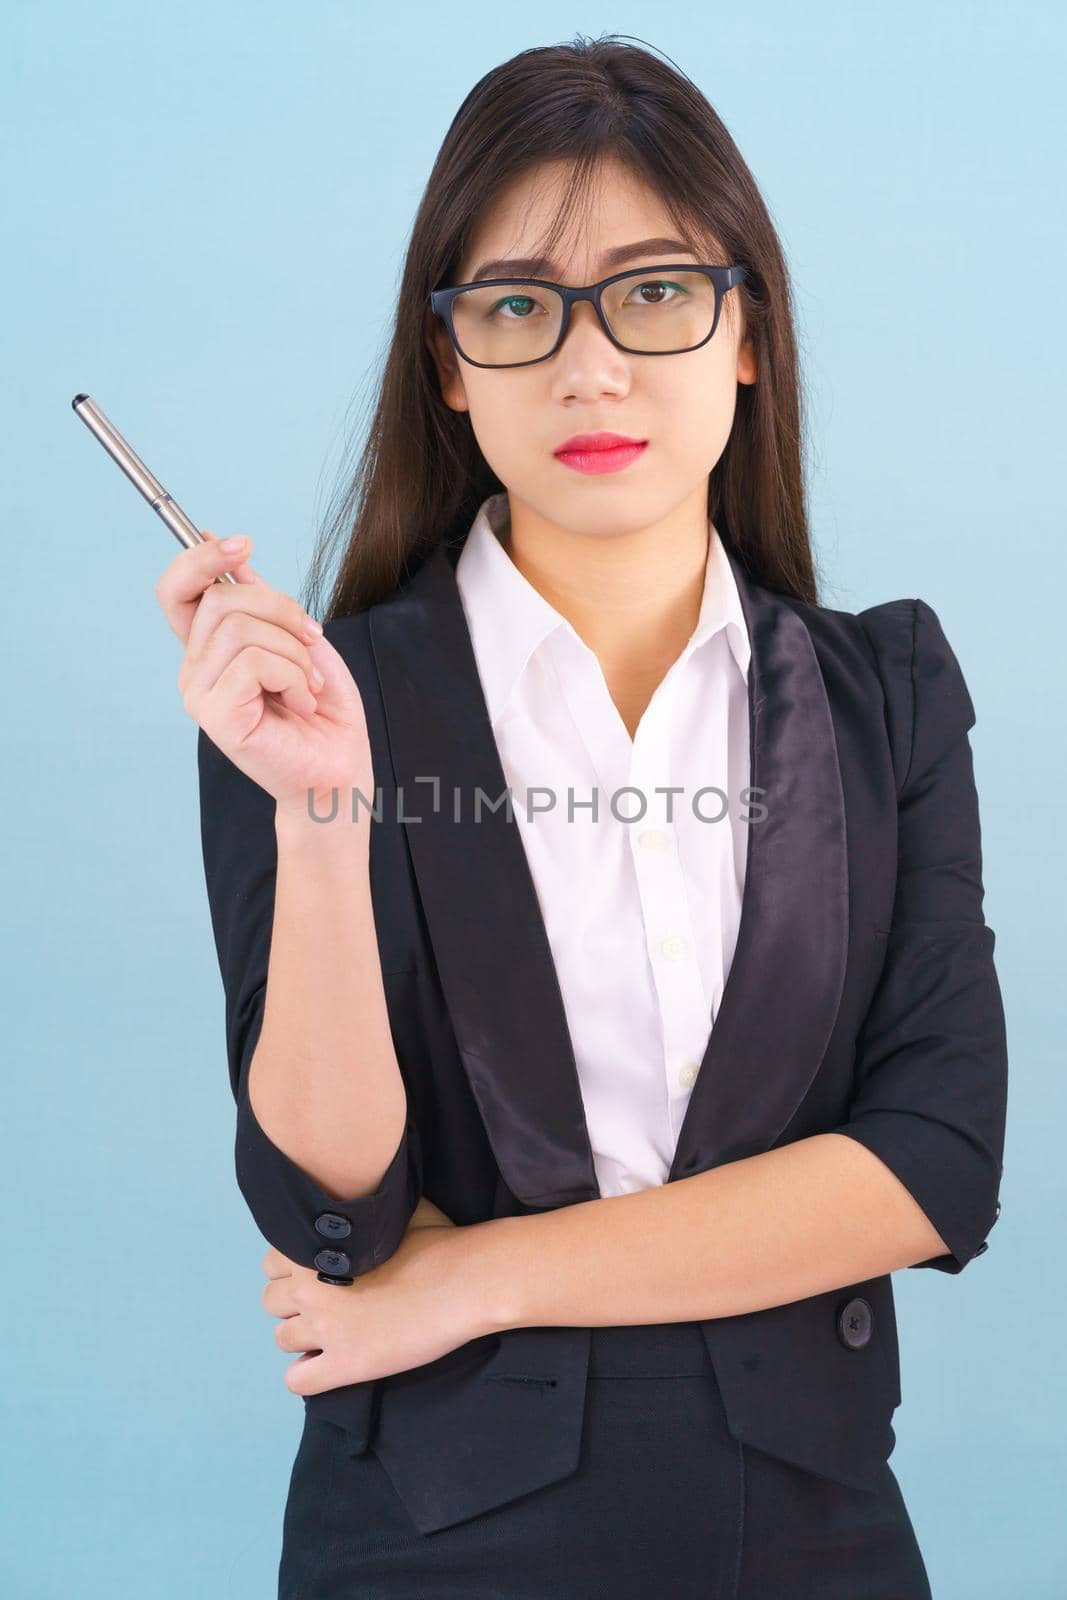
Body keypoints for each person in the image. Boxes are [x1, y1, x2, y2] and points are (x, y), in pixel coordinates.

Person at [156, 34, 1008, 1600]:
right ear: (449, 363)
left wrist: (470, 1281)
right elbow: (330, 1214)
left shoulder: (882, 693)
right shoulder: (310, 702)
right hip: (426, 1544)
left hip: (807, 1539)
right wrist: (327, 817)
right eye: (518, 307)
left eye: (657, 291)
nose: (592, 366)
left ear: (747, 333)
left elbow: (934, 1166)